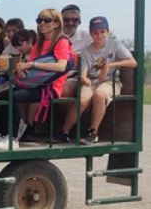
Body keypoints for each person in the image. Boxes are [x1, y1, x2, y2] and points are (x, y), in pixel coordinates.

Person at [0, 9, 71, 149]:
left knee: (12, 96)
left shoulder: (62, 41)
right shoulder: (41, 42)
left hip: (49, 87)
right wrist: (21, 70)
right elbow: (29, 66)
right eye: (39, 20)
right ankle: (2, 135)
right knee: (2, 95)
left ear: (56, 23)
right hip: (36, 84)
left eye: (47, 20)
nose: (42, 23)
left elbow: (61, 66)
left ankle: (12, 139)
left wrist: (32, 64)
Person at [54, 16, 136, 144]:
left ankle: (92, 132)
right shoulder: (87, 51)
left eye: (102, 32)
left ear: (107, 31)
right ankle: (64, 131)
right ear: (91, 33)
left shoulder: (115, 45)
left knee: (100, 94)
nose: (99, 35)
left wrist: (109, 65)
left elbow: (132, 63)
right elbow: (83, 73)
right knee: (83, 99)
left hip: (110, 81)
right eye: (95, 32)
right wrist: (84, 79)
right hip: (91, 81)